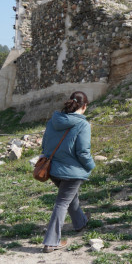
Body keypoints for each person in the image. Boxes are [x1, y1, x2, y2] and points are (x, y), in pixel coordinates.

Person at [42, 91, 95, 253]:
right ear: (84, 106)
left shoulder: (53, 121)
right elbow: (83, 152)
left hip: (53, 169)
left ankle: (80, 223)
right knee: (63, 202)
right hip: (72, 171)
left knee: (69, 197)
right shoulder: (83, 124)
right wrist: (91, 166)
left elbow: (45, 144)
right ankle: (51, 242)